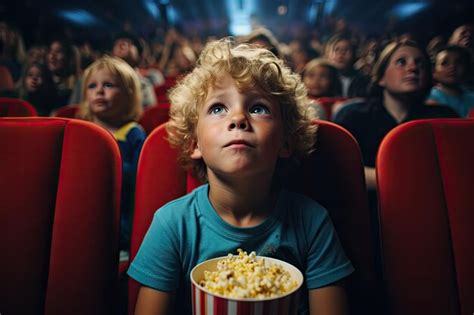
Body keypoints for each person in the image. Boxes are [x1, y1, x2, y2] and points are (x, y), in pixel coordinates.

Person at [128, 38, 354, 315]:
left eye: (258, 108)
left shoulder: (312, 222)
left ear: (285, 141)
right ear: (194, 144)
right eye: (217, 108)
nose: (238, 118)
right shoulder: (172, 224)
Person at [77, 56, 146, 254]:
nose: (99, 91)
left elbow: (137, 184)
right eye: (92, 86)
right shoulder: (82, 132)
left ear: (128, 94)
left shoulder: (133, 133)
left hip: (120, 223)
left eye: (108, 85)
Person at [427, 45, 474, 117]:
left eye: (459, 62)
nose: (452, 67)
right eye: (444, 63)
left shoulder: (472, 98)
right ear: (434, 71)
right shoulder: (429, 98)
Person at [324, 33, 370, 98]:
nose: (341, 54)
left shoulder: (362, 80)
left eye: (346, 50)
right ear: (327, 54)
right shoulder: (322, 79)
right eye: (336, 50)